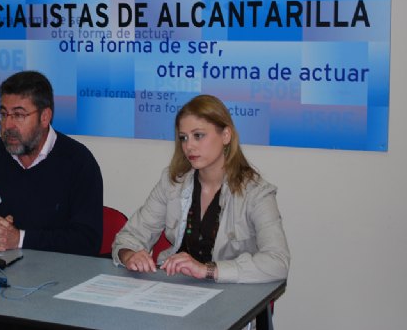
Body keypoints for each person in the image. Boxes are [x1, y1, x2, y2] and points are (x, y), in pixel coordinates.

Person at [112, 94, 290, 283]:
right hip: (176, 287)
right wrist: (130, 255)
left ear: (226, 135)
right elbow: (129, 237)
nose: (189, 146)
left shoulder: (256, 192)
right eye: (183, 138)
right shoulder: (172, 183)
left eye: (198, 135)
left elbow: (278, 262)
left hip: (230, 293)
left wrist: (207, 270)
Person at [0, 70, 103, 257]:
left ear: (45, 117)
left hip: (56, 270)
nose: (8, 125)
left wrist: (19, 239)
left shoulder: (78, 161)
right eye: (3, 114)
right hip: (1, 264)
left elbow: (87, 241)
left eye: (19, 115)